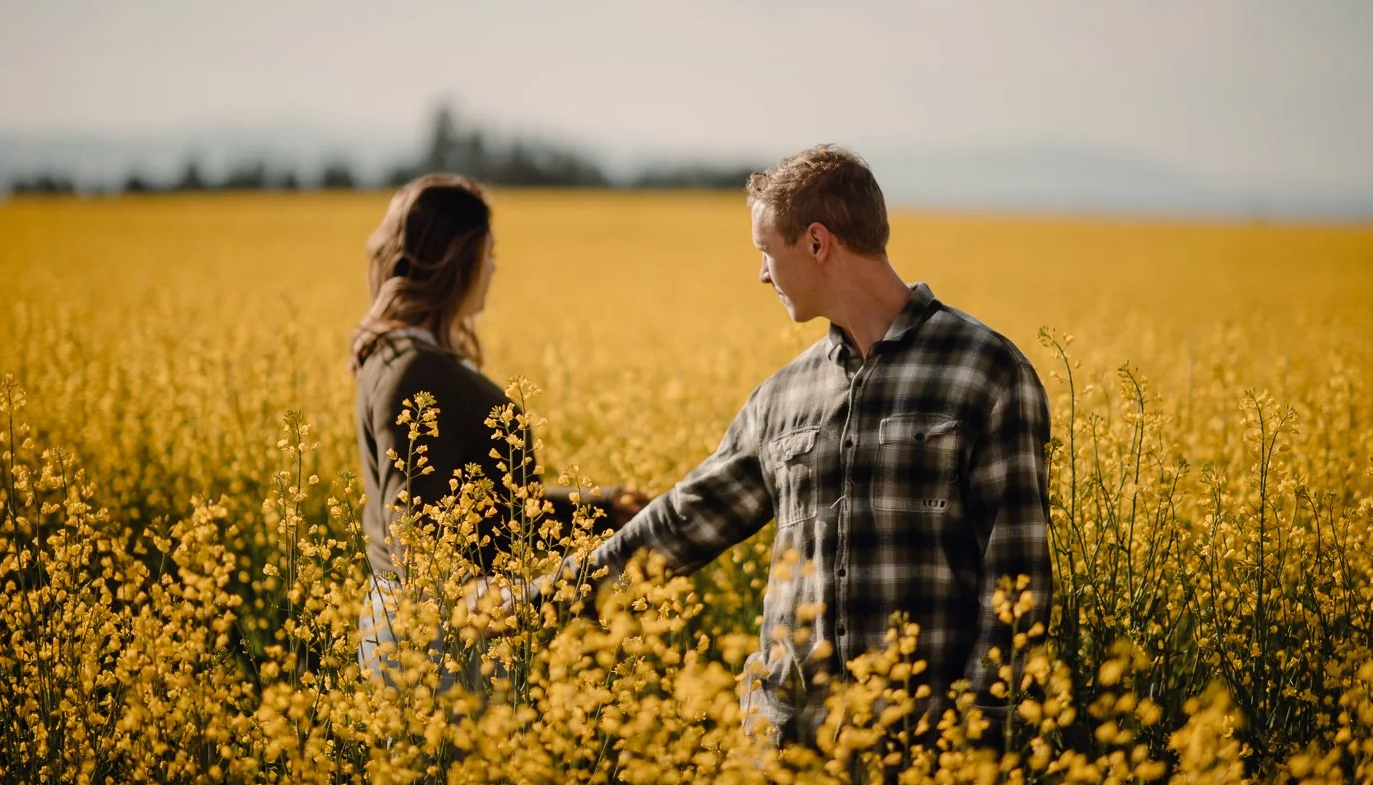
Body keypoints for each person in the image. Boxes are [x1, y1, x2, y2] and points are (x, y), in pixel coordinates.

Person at [578, 145, 1052, 747]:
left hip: (924, 755)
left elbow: (1019, 579)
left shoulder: (985, 372)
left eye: (765, 252)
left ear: (817, 242)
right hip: (787, 751)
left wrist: (982, 739)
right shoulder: (784, 395)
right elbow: (683, 521)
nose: (761, 274)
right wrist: (544, 594)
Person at [351, 173, 644, 686]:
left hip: (437, 618)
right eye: (488, 253)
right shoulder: (415, 371)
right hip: (438, 631)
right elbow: (414, 521)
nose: (493, 267)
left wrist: (597, 511)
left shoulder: (398, 355)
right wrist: (472, 593)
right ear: (457, 259)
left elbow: (479, 508)